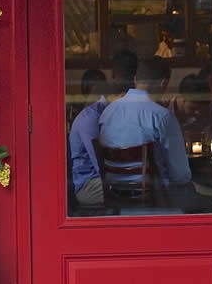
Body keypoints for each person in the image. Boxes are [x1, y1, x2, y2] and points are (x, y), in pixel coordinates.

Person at [98, 54, 193, 202]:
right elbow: (180, 175)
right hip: (155, 199)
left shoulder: (108, 112)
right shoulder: (162, 117)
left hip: (115, 195)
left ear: (135, 79)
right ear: (163, 83)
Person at [69, 52, 136, 208]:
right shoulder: (91, 119)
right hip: (90, 184)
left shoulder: (112, 112)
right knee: (142, 188)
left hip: (110, 175)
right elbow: (101, 165)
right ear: (119, 95)